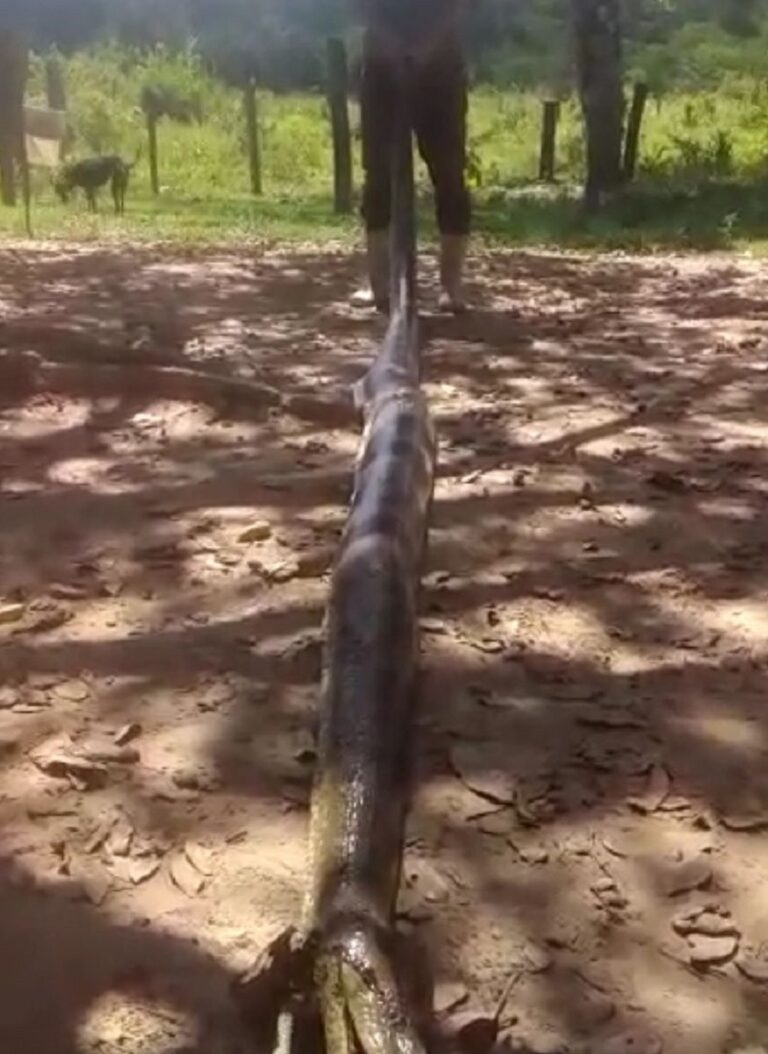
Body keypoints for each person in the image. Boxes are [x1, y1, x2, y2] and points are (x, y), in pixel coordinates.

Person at [352, 0, 471, 313]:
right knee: (377, 173)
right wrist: (390, 45)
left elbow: (458, 7)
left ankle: (451, 286)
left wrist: (426, 48)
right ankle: (377, 284)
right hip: (381, 71)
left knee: (449, 174)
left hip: (441, 74)